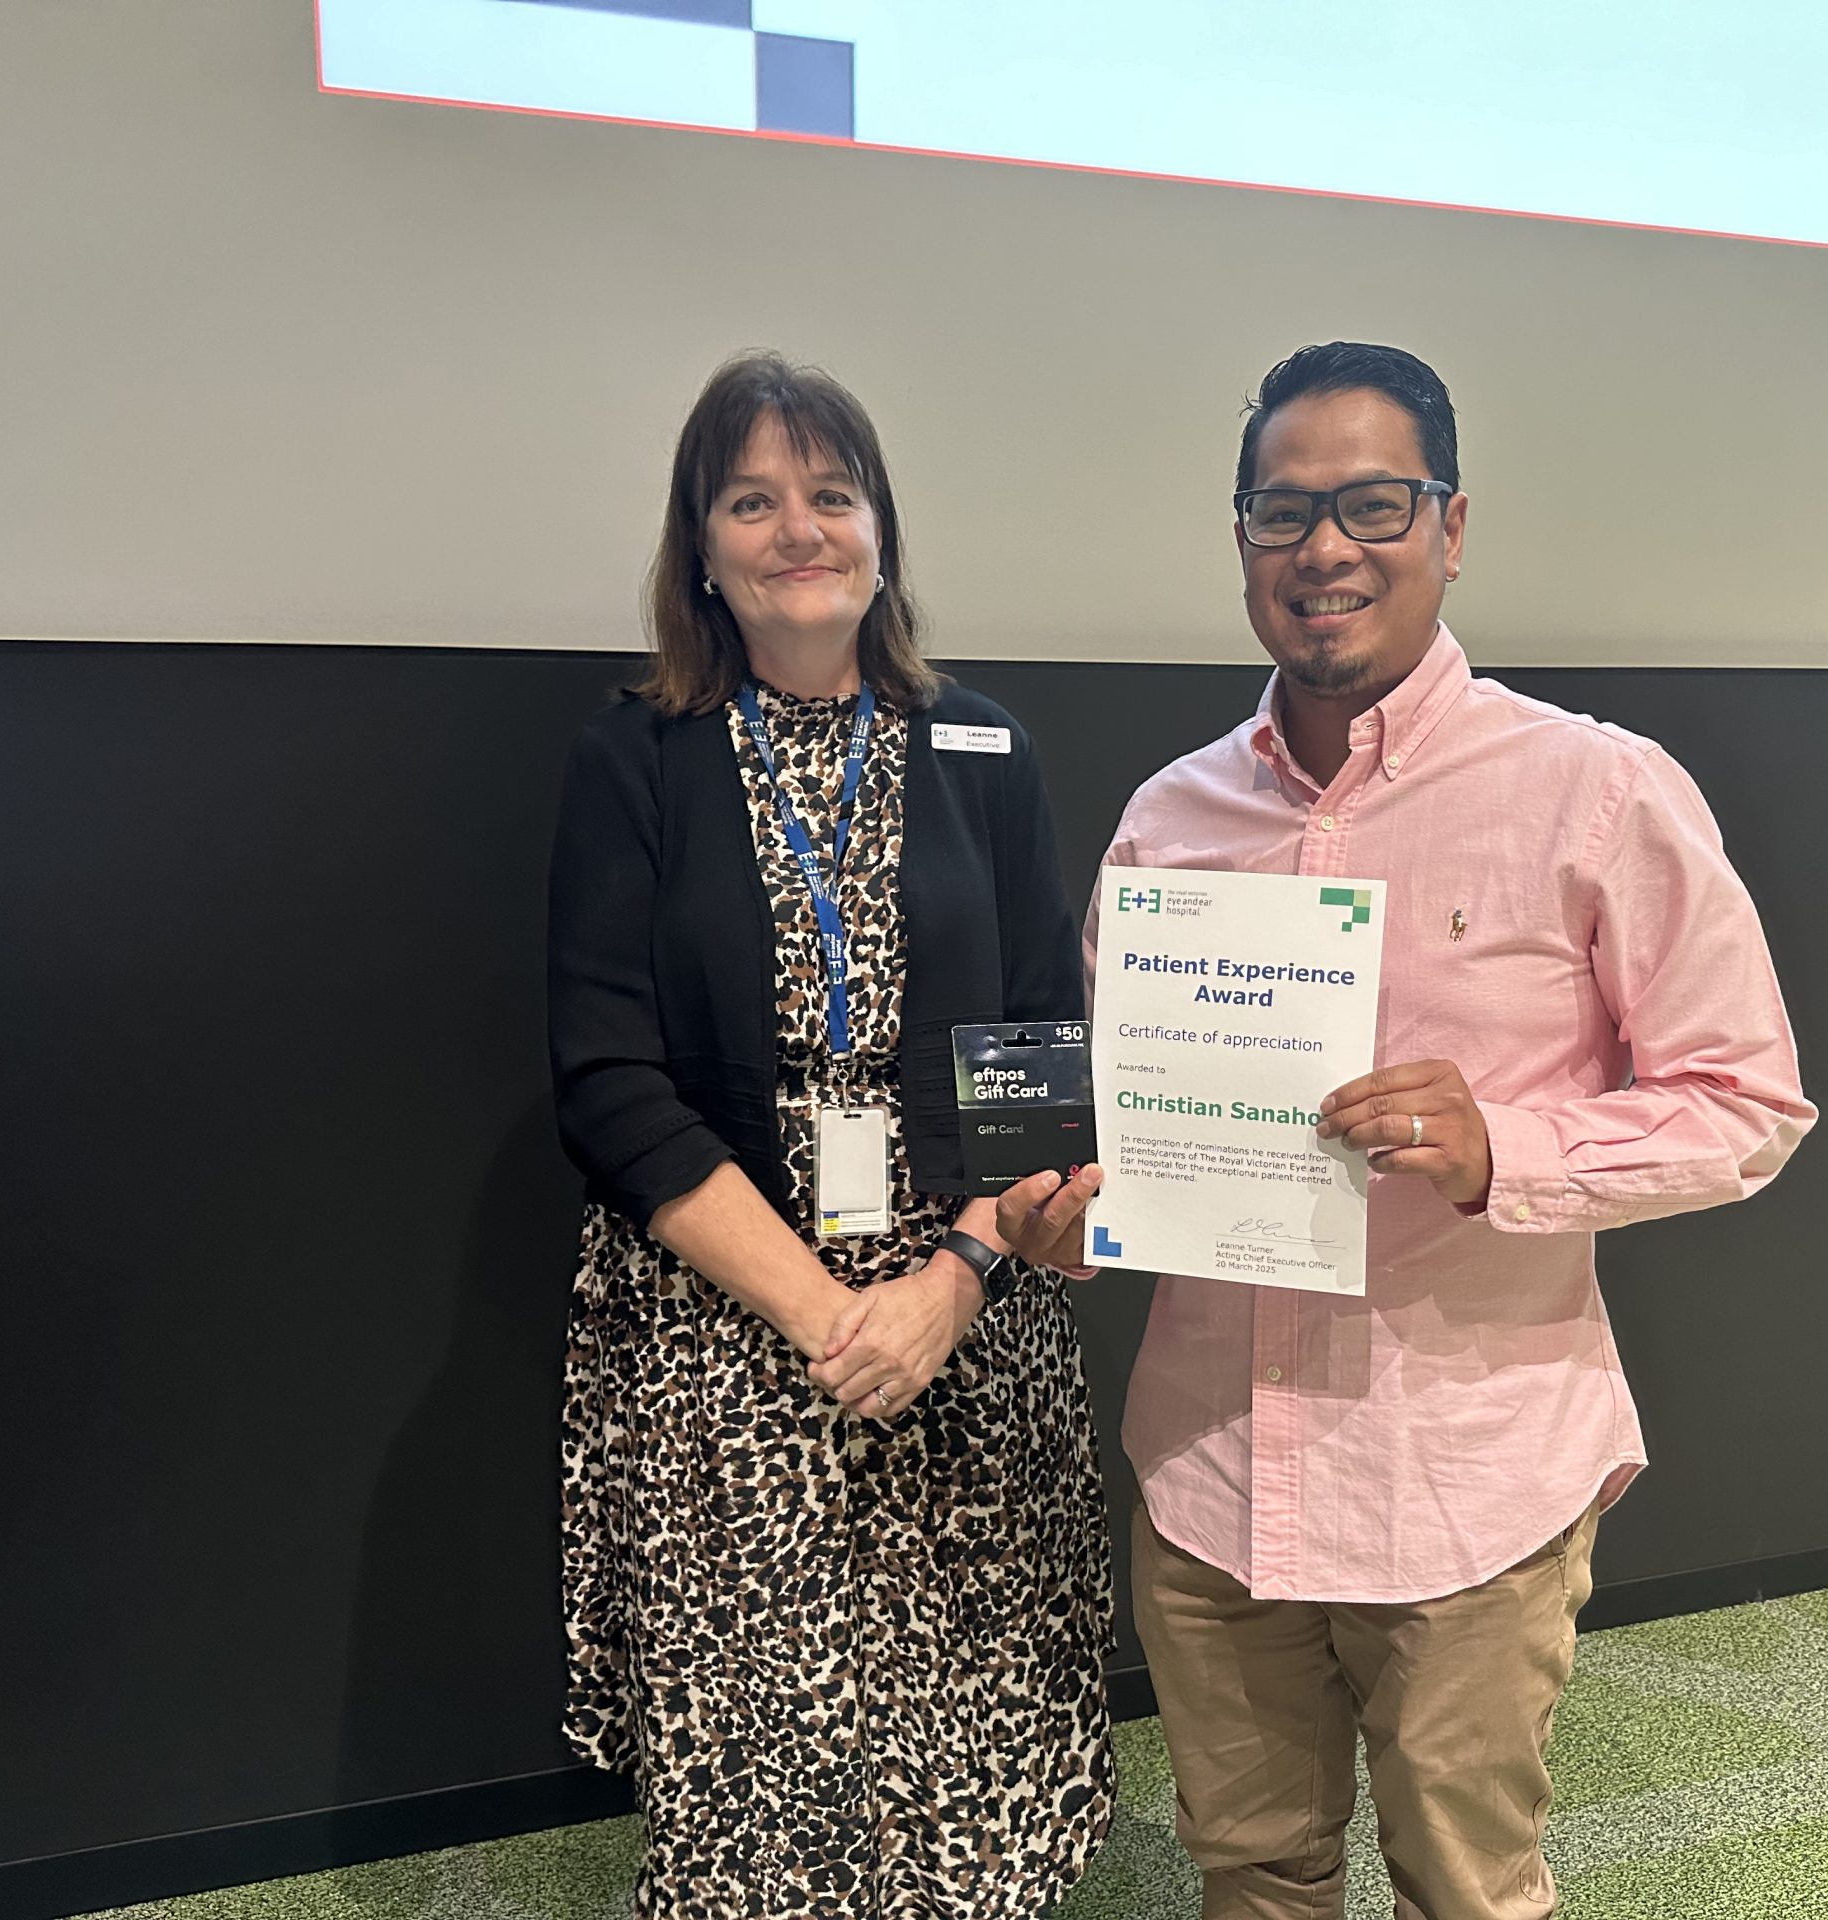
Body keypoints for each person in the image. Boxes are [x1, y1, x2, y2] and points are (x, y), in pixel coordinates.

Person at [1004, 341, 1816, 1920]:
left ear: (1452, 526)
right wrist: (1076, 1220)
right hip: (1211, 1470)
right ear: (1239, 538)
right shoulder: (1171, 822)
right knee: (1252, 1876)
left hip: (1466, 1488)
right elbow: (1132, 1133)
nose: (1325, 550)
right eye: (1282, 512)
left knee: (1467, 1886)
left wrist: (1509, 1151)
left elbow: (1747, 1101)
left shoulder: (1596, 791)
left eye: (1374, 505)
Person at [547, 351, 1114, 1919]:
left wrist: (950, 1282)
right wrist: (824, 1313)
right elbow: (606, 1081)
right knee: (763, 1794)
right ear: (704, 549)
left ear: (880, 530)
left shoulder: (980, 747)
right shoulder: (634, 757)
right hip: (732, 1335)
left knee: (974, 1762)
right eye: (753, 500)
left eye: (831, 493)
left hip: (960, 1315)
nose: (798, 529)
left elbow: (1032, 1061)